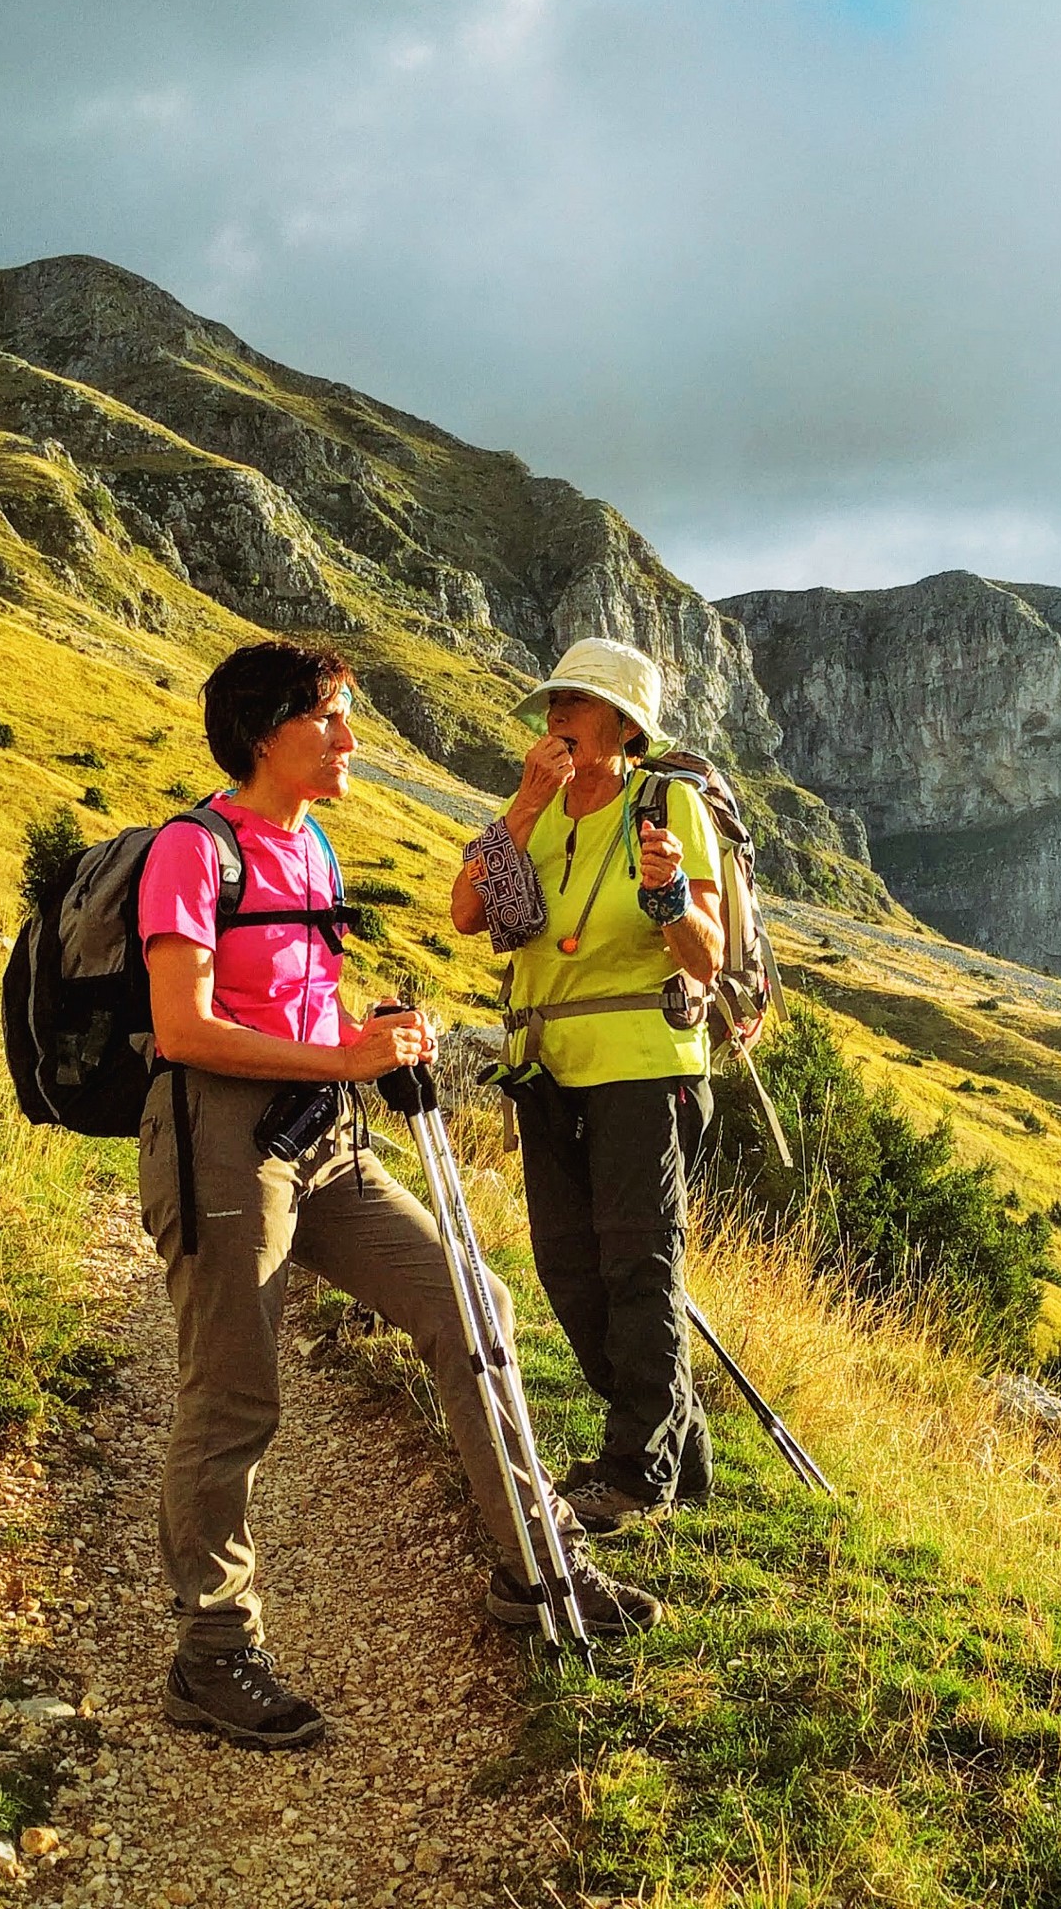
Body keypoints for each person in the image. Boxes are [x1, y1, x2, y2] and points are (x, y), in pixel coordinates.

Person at [138, 638, 661, 1751]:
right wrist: (342, 1063)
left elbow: (298, 1007)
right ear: (262, 731)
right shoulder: (192, 853)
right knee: (235, 1395)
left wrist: (370, 1036)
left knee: (474, 1307)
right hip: (222, 1145)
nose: (348, 739)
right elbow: (183, 1030)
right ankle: (211, 1652)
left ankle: (534, 1566)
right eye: (327, 718)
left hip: (325, 1139)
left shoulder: (314, 848)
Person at [448, 637, 725, 1535]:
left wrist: (674, 894)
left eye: (577, 701)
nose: (557, 714)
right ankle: (672, 1445)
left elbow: (709, 958)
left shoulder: (667, 803)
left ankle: (635, 1470)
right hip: (544, 1069)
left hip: (644, 1066)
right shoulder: (537, 807)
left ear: (624, 723)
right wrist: (526, 804)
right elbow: (465, 912)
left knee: (637, 1264)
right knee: (569, 1267)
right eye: (555, 700)